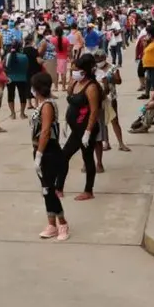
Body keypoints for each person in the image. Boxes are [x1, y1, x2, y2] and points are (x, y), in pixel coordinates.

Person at [56, 54, 102, 201]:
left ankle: (89, 190)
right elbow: (69, 96)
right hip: (75, 128)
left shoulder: (91, 87)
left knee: (87, 157)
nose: (74, 72)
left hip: (86, 128)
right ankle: (59, 187)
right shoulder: (76, 82)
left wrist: (88, 131)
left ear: (86, 71)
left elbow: (94, 111)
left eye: (77, 70)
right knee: (64, 155)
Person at [30, 71, 69, 241]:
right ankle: (51, 223)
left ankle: (62, 223)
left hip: (48, 151)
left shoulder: (47, 105)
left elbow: (45, 131)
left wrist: (39, 154)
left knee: (49, 189)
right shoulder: (41, 104)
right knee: (45, 190)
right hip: (40, 150)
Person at [94, 49, 131, 152]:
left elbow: (119, 81)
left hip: (111, 97)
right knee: (102, 122)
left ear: (105, 58)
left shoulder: (113, 68)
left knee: (114, 120)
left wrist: (110, 78)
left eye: (100, 59)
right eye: (96, 60)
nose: (98, 62)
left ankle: (121, 143)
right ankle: (106, 143)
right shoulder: (95, 69)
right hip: (99, 98)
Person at [140, 25, 154, 99]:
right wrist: (145, 43)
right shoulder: (150, 42)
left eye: (148, 33)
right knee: (148, 79)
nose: (146, 34)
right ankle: (147, 94)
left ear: (151, 33)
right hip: (148, 65)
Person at [23, 35, 43, 110]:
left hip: (26, 70)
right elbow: (38, 60)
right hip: (35, 70)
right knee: (35, 86)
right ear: (32, 41)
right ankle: (36, 103)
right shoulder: (34, 50)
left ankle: (29, 104)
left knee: (27, 85)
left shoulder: (23, 50)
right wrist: (43, 61)